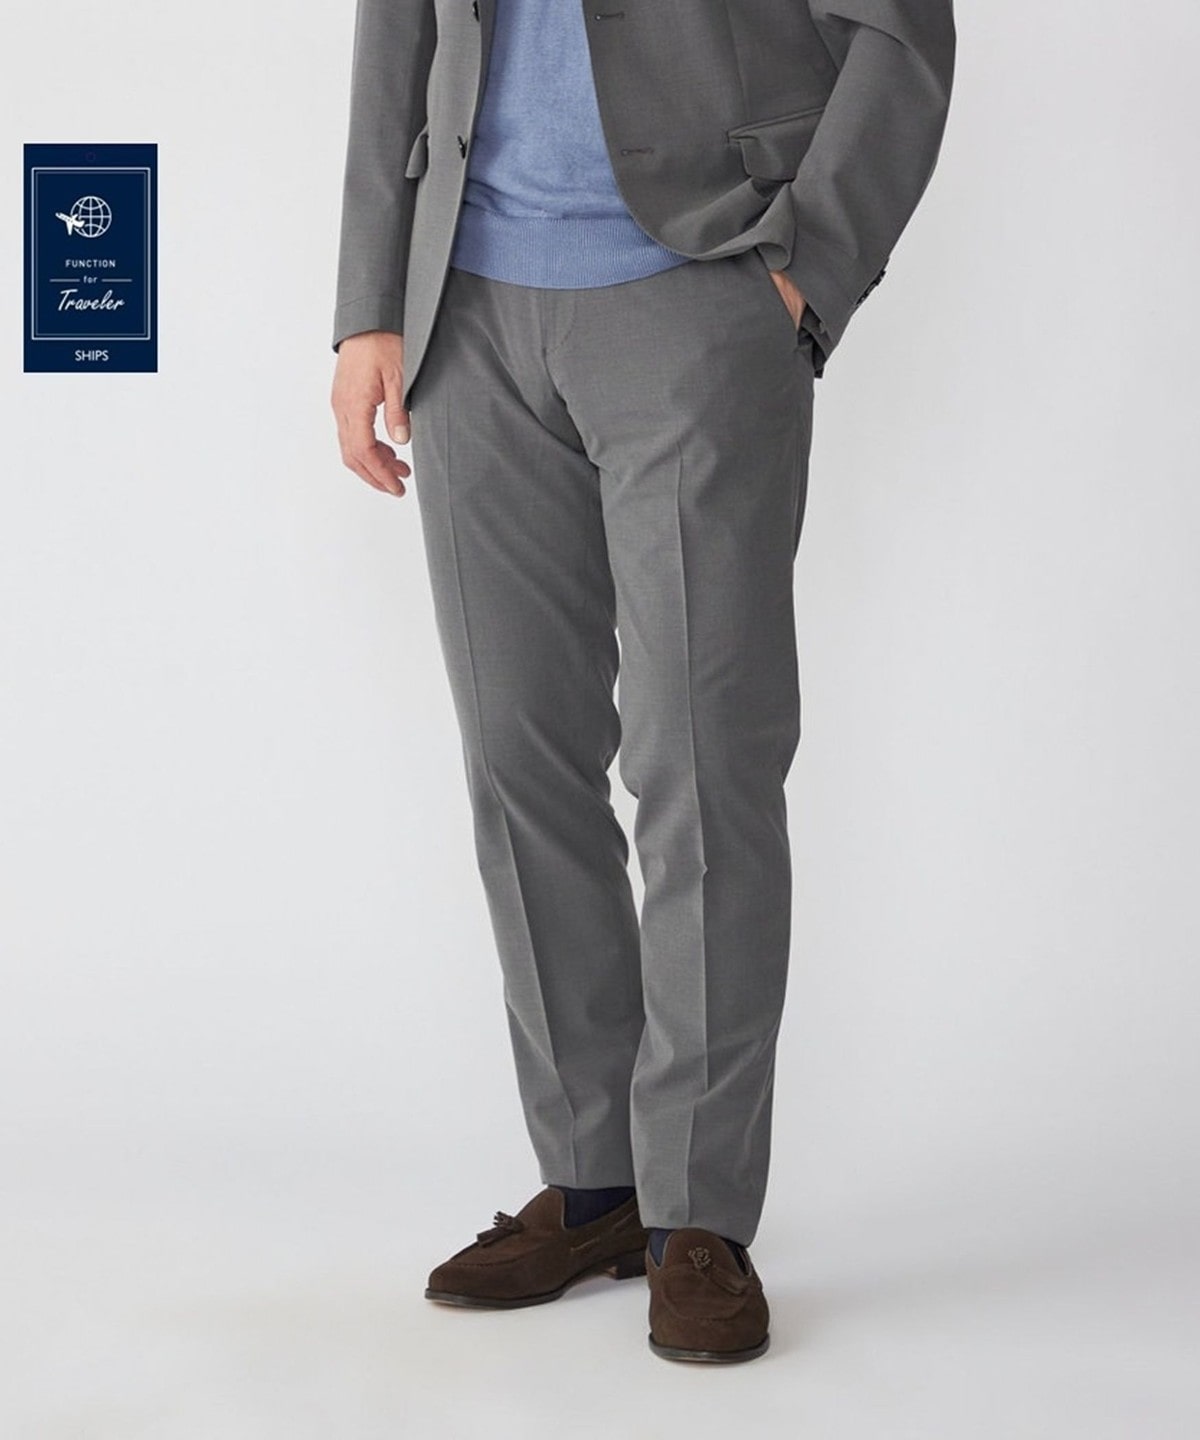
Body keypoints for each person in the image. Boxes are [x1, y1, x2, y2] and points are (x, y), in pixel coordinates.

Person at [330, 0, 955, 1364]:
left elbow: (902, 31)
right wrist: (369, 304)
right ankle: (596, 1183)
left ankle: (699, 1214)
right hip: (464, 312)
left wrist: (807, 266)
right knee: (517, 759)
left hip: (697, 289)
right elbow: (396, 36)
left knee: (701, 762)